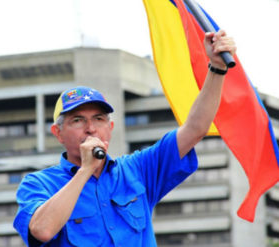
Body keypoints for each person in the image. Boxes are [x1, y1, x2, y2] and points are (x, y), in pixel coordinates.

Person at [13, 30, 236, 247]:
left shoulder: (137, 170)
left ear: (110, 128)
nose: (90, 129)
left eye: (98, 119)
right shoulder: (39, 184)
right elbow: (42, 230)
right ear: (58, 133)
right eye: (78, 120)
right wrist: (85, 171)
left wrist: (217, 67)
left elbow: (196, 128)